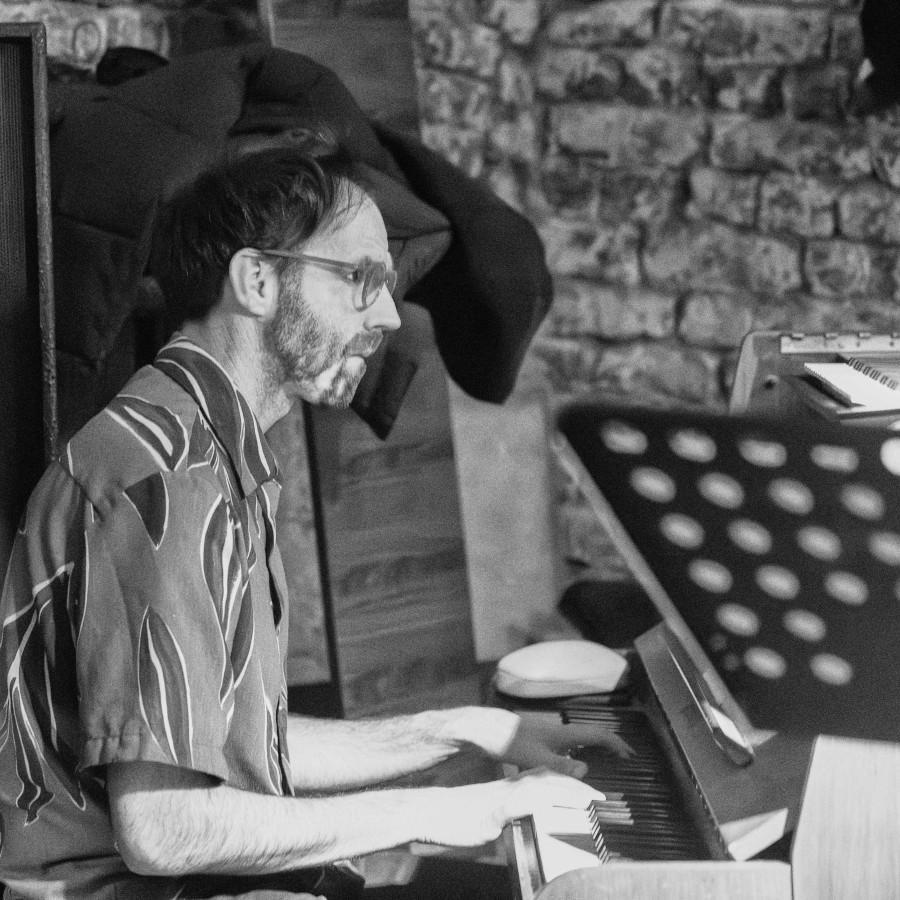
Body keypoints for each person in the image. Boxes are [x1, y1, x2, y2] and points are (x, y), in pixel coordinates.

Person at [0, 148, 626, 900]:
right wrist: (443, 811)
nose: (388, 315)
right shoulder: (167, 480)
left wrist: (468, 731)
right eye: (361, 279)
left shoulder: (204, 446)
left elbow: (239, 746)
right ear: (257, 281)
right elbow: (164, 827)